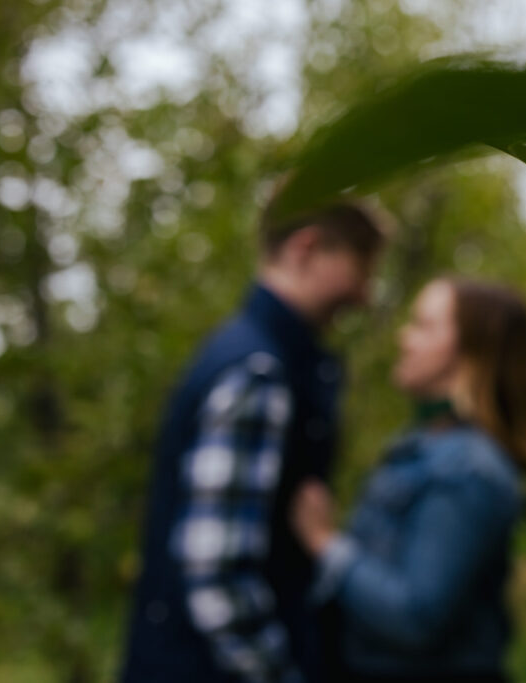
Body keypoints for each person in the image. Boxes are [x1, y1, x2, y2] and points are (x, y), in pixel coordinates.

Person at [120, 197, 386, 683]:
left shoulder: (251, 353)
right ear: (306, 250)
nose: (365, 295)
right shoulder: (258, 372)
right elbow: (218, 575)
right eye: (361, 270)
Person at [292, 277, 526, 683]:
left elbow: (417, 618)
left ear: (471, 351)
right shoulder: (423, 446)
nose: (404, 338)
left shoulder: (467, 469)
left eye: (423, 326)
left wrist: (325, 544)